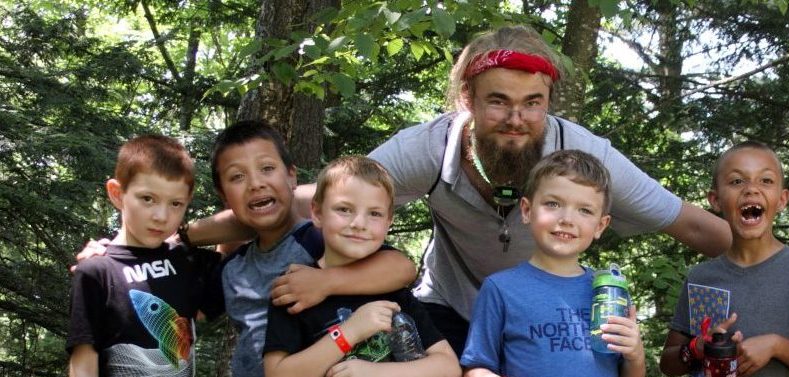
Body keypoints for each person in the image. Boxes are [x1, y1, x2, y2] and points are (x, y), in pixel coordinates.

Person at [179, 24, 730, 357]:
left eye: (532, 103)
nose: (516, 119)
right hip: (450, 307)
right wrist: (180, 233)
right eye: (498, 101)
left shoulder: (586, 159)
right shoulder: (428, 148)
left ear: (549, 103)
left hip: (542, 312)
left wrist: (787, 272)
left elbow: (694, 226)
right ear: (467, 97)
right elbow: (312, 202)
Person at [207, 121, 418, 377]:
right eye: (237, 176)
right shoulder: (233, 267)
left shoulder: (320, 238)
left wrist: (325, 282)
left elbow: (402, 268)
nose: (255, 183)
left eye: (267, 168)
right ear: (224, 195)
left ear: (292, 176)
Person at [263, 156, 459, 377]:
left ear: (388, 222)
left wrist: (376, 373)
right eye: (344, 209)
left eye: (374, 214)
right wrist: (348, 334)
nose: (359, 224)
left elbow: (448, 367)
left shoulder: (392, 291)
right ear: (317, 213)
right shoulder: (295, 289)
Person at [460, 150, 645, 377]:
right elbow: (476, 367)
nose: (567, 219)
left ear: (600, 225)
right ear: (527, 210)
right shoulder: (500, 289)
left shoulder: (611, 293)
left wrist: (635, 355)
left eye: (585, 210)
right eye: (553, 204)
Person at [659, 141, 789, 377]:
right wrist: (697, 348)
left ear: (782, 199)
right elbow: (668, 365)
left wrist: (776, 345)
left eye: (766, 180)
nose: (751, 189)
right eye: (737, 181)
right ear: (715, 200)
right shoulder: (701, 276)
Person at [67, 135, 224, 376]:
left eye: (176, 203)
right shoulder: (96, 271)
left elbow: (251, 224)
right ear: (117, 194)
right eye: (147, 199)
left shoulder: (188, 261)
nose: (161, 216)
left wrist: (187, 235)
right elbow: (83, 362)